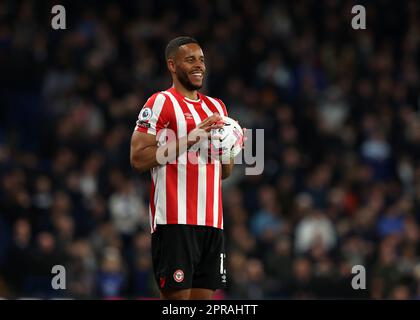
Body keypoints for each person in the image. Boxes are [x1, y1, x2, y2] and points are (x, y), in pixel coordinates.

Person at [130, 36, 238, 300]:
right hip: (174, 222)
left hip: (212, 223)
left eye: (201, 60)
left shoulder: (217, 107)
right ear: (172, 65)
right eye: (190, 60)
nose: (199, 65)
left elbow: (224, 172)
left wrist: (230, 147)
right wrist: (191, 137)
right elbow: (138, 159)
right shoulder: (160, 103)